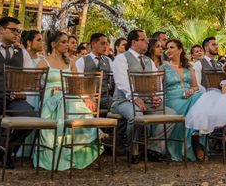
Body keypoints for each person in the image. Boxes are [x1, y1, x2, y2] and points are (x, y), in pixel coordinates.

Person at [34, 30, 101, 170]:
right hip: (50, 98)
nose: (66, 45)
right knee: (64, 101)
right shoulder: (43, 62)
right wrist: (48, 88)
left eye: (66, 42)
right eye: (63, 42)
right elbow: (33, 83)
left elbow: (77, 84)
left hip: (69, 96)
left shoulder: (70, 62)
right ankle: (94, 132)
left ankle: (89, 134)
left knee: (73, 101)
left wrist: (86, 98)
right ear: (53, 44)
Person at [110, 29, 173, 163]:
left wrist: (157, 97)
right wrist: (135, 98)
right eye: (143, 40)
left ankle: (153, 148)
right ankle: (133, 151)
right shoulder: (121, 58)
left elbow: (156, 80)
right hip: (123, 101)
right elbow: (122, 82)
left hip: (147, 101)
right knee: (136, 115)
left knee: (171, 115)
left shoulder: (148, 61)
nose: (147, 42)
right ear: (134, 42)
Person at [0, 17, 33, 169]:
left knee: (31, 117)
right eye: (14, 30)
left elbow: (29, 79)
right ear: (1, 30)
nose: (17, 34)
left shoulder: (23, 54)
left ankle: (5, 149)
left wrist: (24, 92)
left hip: (14, 99)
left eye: (19, 31)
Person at [160, 39, 203, 161]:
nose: (168, 50)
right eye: (167, 48)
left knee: (199, 96)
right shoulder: (163, 67)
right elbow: (158, 88)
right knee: (198, 99)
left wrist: (192, 90)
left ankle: (195, 139)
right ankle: (195, 142)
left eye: (172, 47)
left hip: (189, 96)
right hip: (172, 99)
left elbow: (195, 86)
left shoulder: (188, 66)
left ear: (180, 50)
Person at [75, 33, 113, 110]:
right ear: (93, 44)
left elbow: (114, 79)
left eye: (106, 44)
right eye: (102, 43)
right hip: (88, 97)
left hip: (105, 97)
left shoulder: (108, 60)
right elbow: (78, 83)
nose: (105, 46)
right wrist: (86, 98)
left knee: (118, 107)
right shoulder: (81, 61)